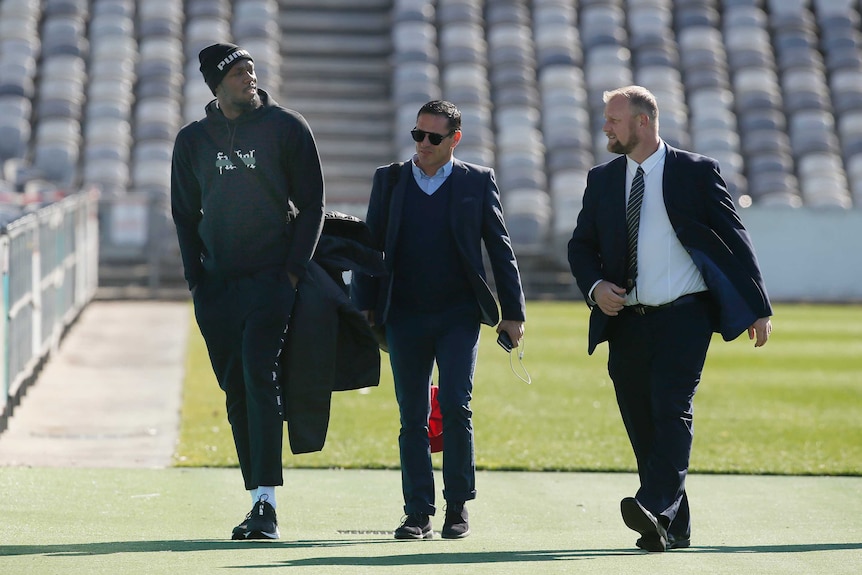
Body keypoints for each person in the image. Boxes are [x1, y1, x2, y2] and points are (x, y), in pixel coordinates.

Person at [567, 85, 773, 552]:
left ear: (642, 122)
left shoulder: (696, 172)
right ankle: (671, 523)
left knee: (670, 405)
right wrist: (597, 288)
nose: (606, 128)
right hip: (627, 319)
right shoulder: (601, 179)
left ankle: (655, 503)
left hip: (687, 315)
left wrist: (757, 304)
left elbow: (734, 236)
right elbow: (581, 246)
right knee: (639, 415)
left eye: (614, 120)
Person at [352, 100, 527, 540]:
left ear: (455, 139)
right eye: (418, 134)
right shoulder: (389, 180)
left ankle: (457, 508)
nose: (423, 144)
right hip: (403, 315)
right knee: (411, 415)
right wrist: (363, 307)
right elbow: (369, 247)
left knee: (455, 406)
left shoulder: (477, 182)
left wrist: (513, 314)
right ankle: (417, 513)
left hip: (458, 316)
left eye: (433, 137)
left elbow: (500, 250)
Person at [171, 43, 325, 540]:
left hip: (271, 280)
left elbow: (313, 204)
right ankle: (256, 497)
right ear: (216, 84)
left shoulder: (286, 126)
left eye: (252, 70)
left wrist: (293, 273)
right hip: (216, 287)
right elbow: (183, 214)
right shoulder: (191, 140)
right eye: (238, 72)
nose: (249, 78)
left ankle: (266, 502)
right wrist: (197, 278)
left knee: (259, 375)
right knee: (235, 386)